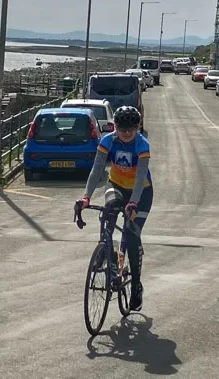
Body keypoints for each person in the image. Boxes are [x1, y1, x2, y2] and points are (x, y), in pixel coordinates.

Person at [78, 105, 152, 311]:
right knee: (107, 213)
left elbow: (140, 178)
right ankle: (106, 251)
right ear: (115, 127)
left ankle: (136, 285)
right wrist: (86, 196)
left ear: (137, 128)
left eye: (131, 130)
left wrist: (134, 202)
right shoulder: (107, 141)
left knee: (132, 233)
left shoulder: (141, 144)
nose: (127, 134)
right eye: (122, 129)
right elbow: (96, 170)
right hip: (116, 185)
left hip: (141, 192)